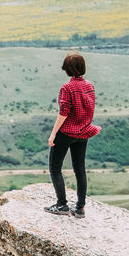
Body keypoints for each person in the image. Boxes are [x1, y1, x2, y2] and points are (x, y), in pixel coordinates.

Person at [45, 51, 99, 218]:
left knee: (55, 168)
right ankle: (80, 208)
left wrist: (53, 134)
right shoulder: (89, 86)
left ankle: (62, 205)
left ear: (67, 69)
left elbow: (64, 113)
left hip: (67, 132)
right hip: (83, 132)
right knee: (80, 169)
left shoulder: (67, 88)